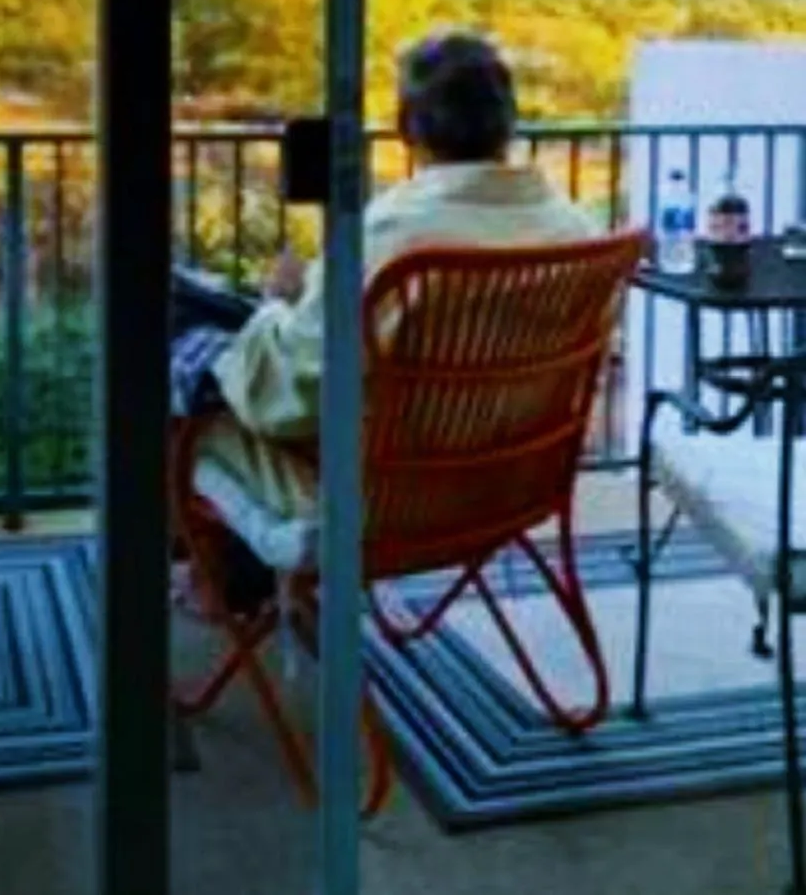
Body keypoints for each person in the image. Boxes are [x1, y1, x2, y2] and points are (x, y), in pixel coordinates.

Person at [170, 30, 597, 615]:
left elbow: (285, 398)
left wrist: (277, 304)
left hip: (374, 507)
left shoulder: (391, 238)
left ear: (405, 125)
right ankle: (234, 579)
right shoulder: (576, 232)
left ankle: (219, 582)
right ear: (511, 122)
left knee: (179, 399)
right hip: (508, 488)